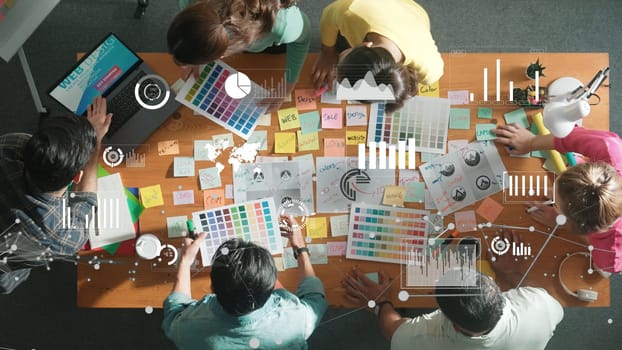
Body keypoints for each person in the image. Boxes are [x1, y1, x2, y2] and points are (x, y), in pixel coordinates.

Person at [342, 231, 564, 350]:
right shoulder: (538, 308)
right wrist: (513, 273)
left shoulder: (422, 339)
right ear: (498, 293)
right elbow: (551, 305)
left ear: (454, 326)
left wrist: (381, 302)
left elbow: (392, 330)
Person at [0, 96, 112, 294]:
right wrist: (95, 146)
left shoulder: (10, 145)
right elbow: (85, 200)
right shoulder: (62, 237)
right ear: (77, 176)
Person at [162, 216, 327, 349]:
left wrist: (185, 260)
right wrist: (300, 247)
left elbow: (174, 310)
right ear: (271, 290)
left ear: (212, 287)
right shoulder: (295, 319)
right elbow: (315, 296)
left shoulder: (187, 328)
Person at [492, 123, 622, 274]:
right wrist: (530, 142)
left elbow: (595, 243)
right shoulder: (610, 148)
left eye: (556, 204)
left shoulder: (611, 258)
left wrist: (561, 224)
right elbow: (567, 137)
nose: (551, 196)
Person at [168, 0, 311, 111]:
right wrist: (195, 55)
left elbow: (303, 38)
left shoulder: (283, 26)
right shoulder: (190, 3)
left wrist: (287, 87)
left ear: (224, 54)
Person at [311, 0, 444, 114]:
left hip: (411, 17)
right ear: (365, 45)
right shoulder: (351, 11)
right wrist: (327, 53)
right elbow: (329, 14)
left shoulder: (430, 71)